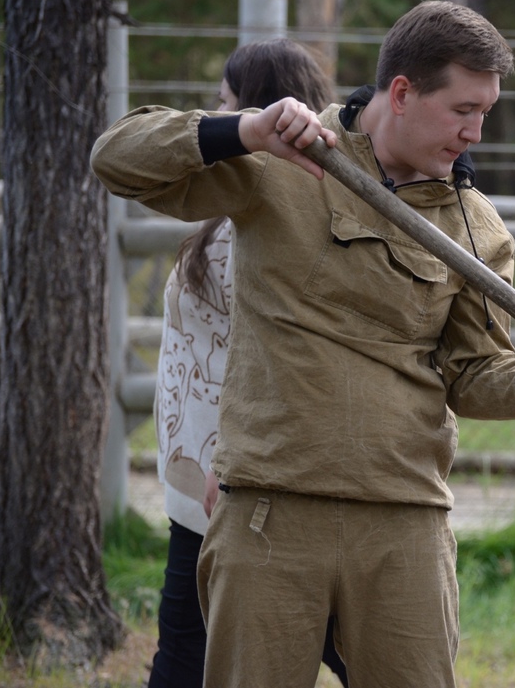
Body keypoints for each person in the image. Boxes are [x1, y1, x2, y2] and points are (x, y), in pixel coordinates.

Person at [93, 0, 515, 688]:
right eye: (463, 110)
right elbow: (116, 160)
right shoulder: (286, 155)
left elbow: (472, 373)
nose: (475, 133)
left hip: (404, 518)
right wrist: (244, 129)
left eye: (486, 114)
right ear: (403, 93)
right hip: (270, 507)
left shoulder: (478, 228)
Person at [147, 38, 348, 688]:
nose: (218, 112)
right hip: (205, 472)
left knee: (188, 653)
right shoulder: (235, 205)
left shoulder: (265, 224)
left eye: (228, 102)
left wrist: (225, 453)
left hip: (232, 473)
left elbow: (266, 350)